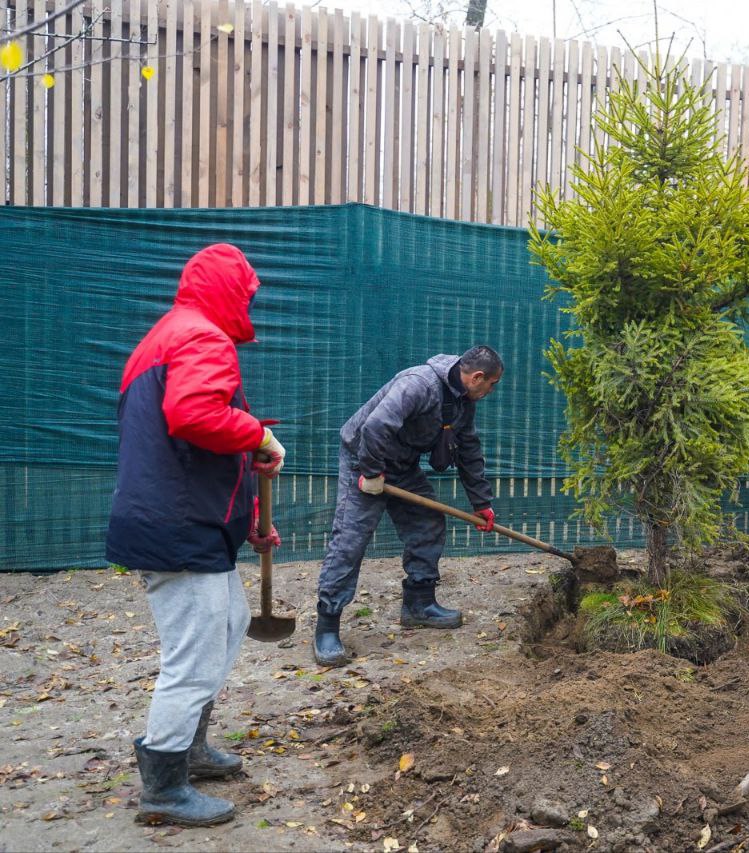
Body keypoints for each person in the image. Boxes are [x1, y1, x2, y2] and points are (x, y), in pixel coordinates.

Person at [106, 244, 285, 826]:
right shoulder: (203, 337)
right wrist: (255, 434)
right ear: (228, 289)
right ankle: (162, 783)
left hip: (180, 519)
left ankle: (191, 748)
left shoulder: (168, 335)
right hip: (176, 525)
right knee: (195, 653)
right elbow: (195, 416)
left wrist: (245, 510)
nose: (250, 301)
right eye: (247, 291)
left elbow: (177, 440)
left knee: (229, 622)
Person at [312, 346, 503, 666]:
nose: (491, 391)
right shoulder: (418, 385)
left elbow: (468, 448)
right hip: (364, 458)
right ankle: (327, 626)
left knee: (428, 522)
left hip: (401, 463)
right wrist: (371, 472)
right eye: (492, 384)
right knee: (351, 539)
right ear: (477, 377)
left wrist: (481, 503)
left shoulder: (462, 402)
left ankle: (418, 604)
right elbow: (374, 428)